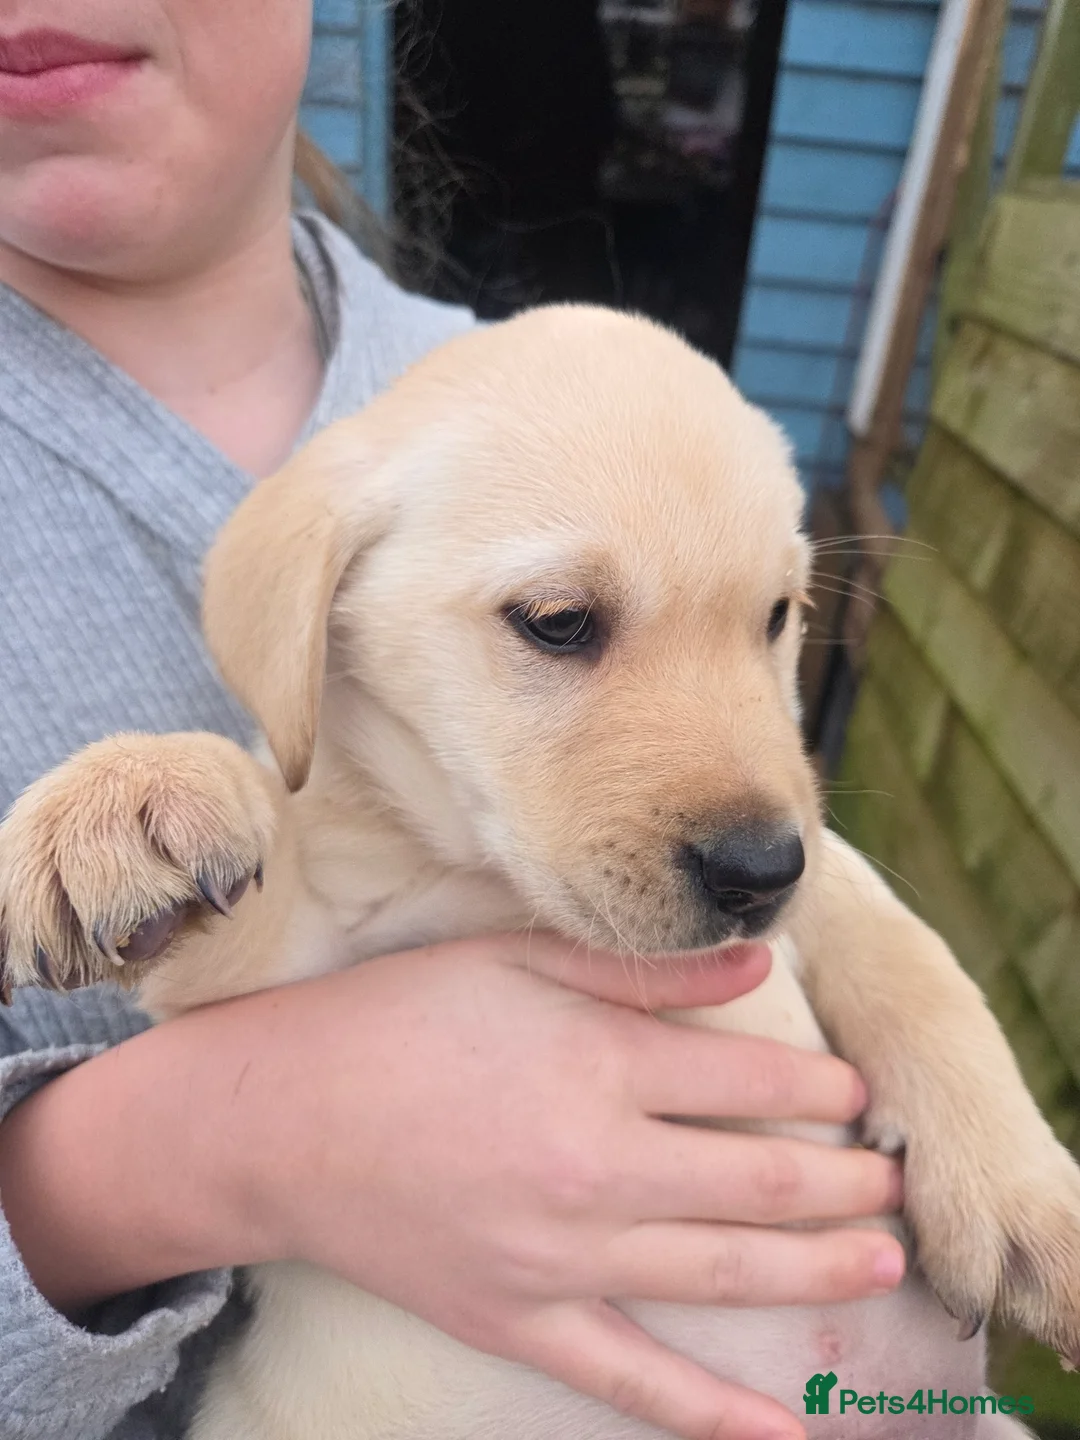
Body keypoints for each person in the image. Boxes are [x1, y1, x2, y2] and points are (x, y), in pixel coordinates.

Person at [0, 6, 905, 1440]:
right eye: (562, 624)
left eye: (773, 618)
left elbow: (789, 859)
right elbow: (276, 899)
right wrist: (183, 1152)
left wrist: (975, 1129)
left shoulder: (568, 392)